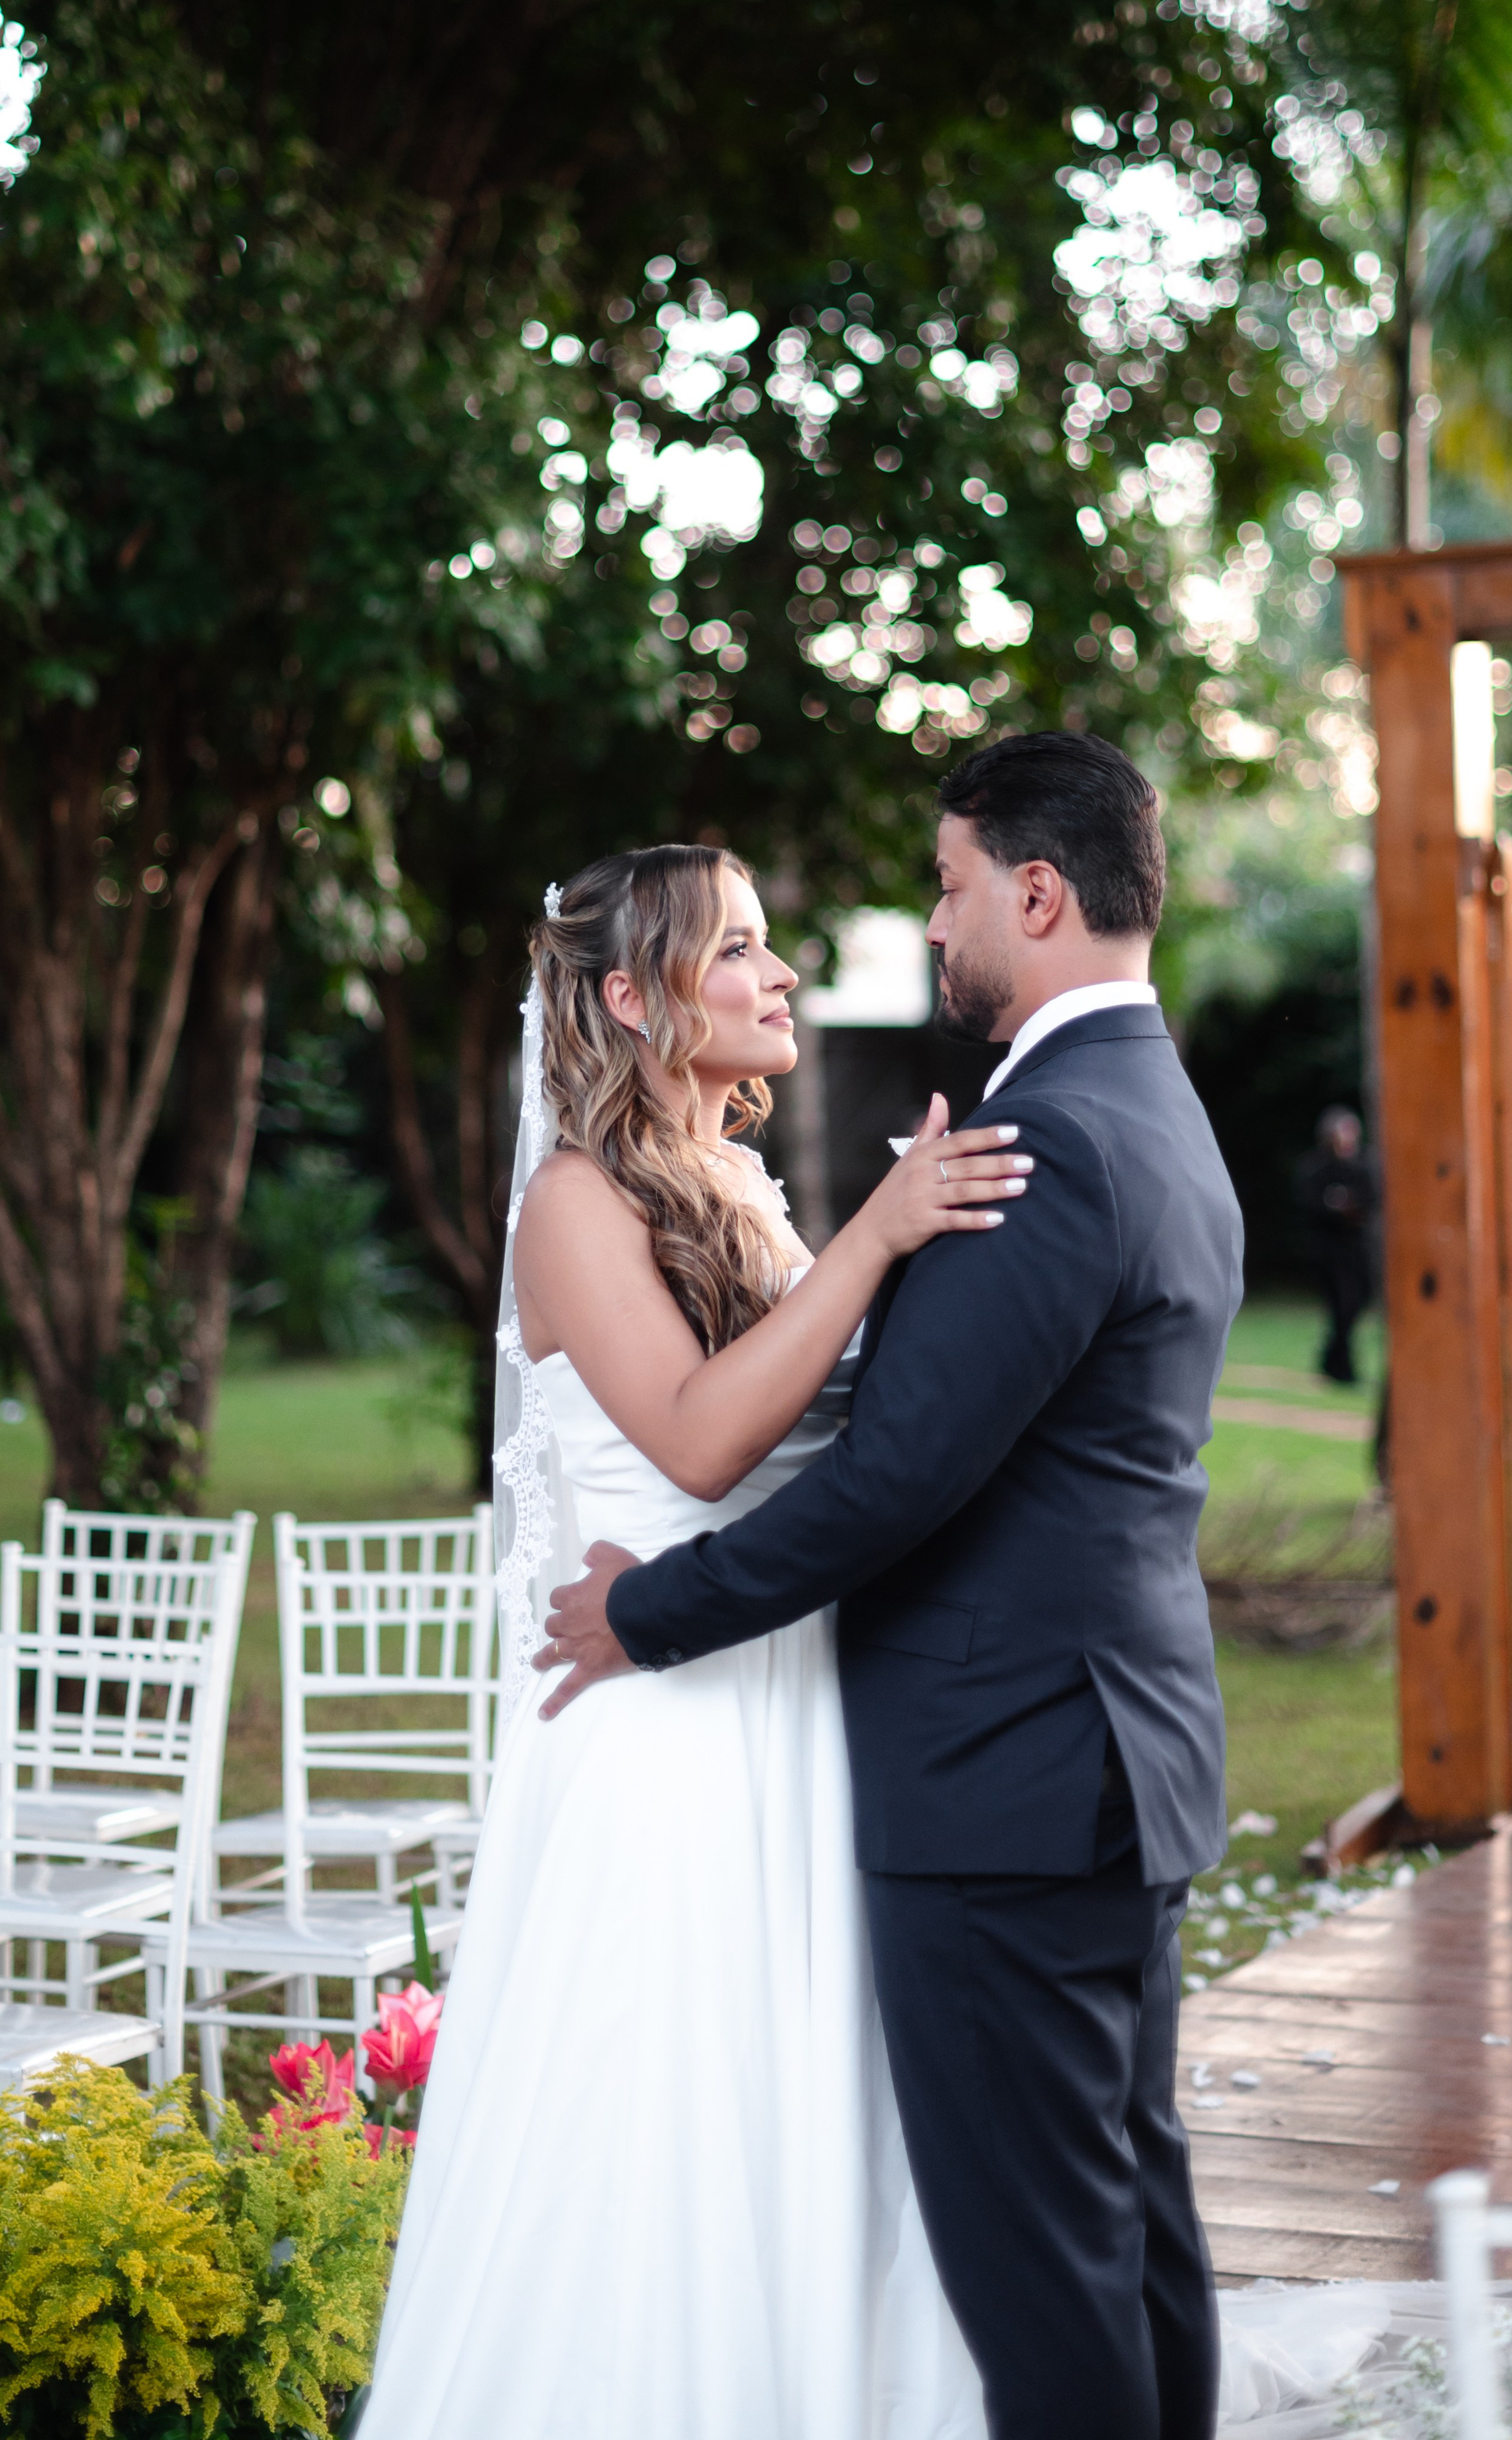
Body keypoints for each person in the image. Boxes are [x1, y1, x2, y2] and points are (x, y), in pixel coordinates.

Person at [543, 732, 1245, 2440]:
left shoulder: (1048, 1138)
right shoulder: (1142, 1103)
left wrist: (652, 1611)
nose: (929, 926)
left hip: (1008, 1784)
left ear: (1036, 891)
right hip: (1089, 1758)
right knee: (1126, 2226)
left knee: (1050, 2270)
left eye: (944, 888)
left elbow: (900, 1477)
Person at [360, 841, 1025, 2440]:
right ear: (626, 995)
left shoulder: (730, 1184)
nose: (778, 972)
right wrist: (874, 1237)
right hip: (650, 1724)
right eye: (735, 948)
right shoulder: (572, 1203)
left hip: (781, 1697)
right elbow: (698, 1441)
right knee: (662, 2107)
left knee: (790, 2101)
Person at [1296, 1105, 1378, 1386]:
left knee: (1355, 1305)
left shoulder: (1364, 1166)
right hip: (1329, 1251)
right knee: (1342, 1306)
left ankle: (1331, 1359)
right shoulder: (1316, 1168)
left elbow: (1373, 1202)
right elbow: (1309, 1205)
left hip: (1357, 1249)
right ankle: (1343, 1368)